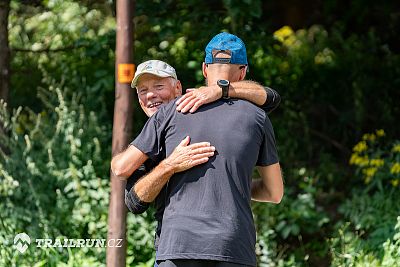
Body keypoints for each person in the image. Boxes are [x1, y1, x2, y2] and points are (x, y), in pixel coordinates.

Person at [112, 32, 283, 267]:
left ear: (204, 69)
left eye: (159, 86)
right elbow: (274, 193)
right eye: (143, 90)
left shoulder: (169, 114)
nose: (151, 95)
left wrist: (221, 89)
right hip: (234, 247)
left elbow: (119, 168)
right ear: (242, 72)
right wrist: (172, 166)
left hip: (178, 247)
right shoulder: (258, 118)